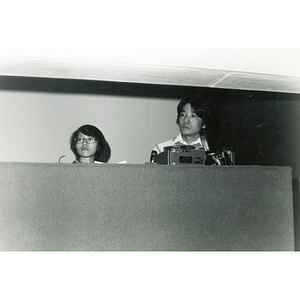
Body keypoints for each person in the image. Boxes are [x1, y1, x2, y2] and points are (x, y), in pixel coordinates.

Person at [152, 95, 220, 156]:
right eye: (183, 115)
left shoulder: (212, 152)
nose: (186, 120)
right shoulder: (161, 149)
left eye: (193, 116)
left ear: (204, 123)